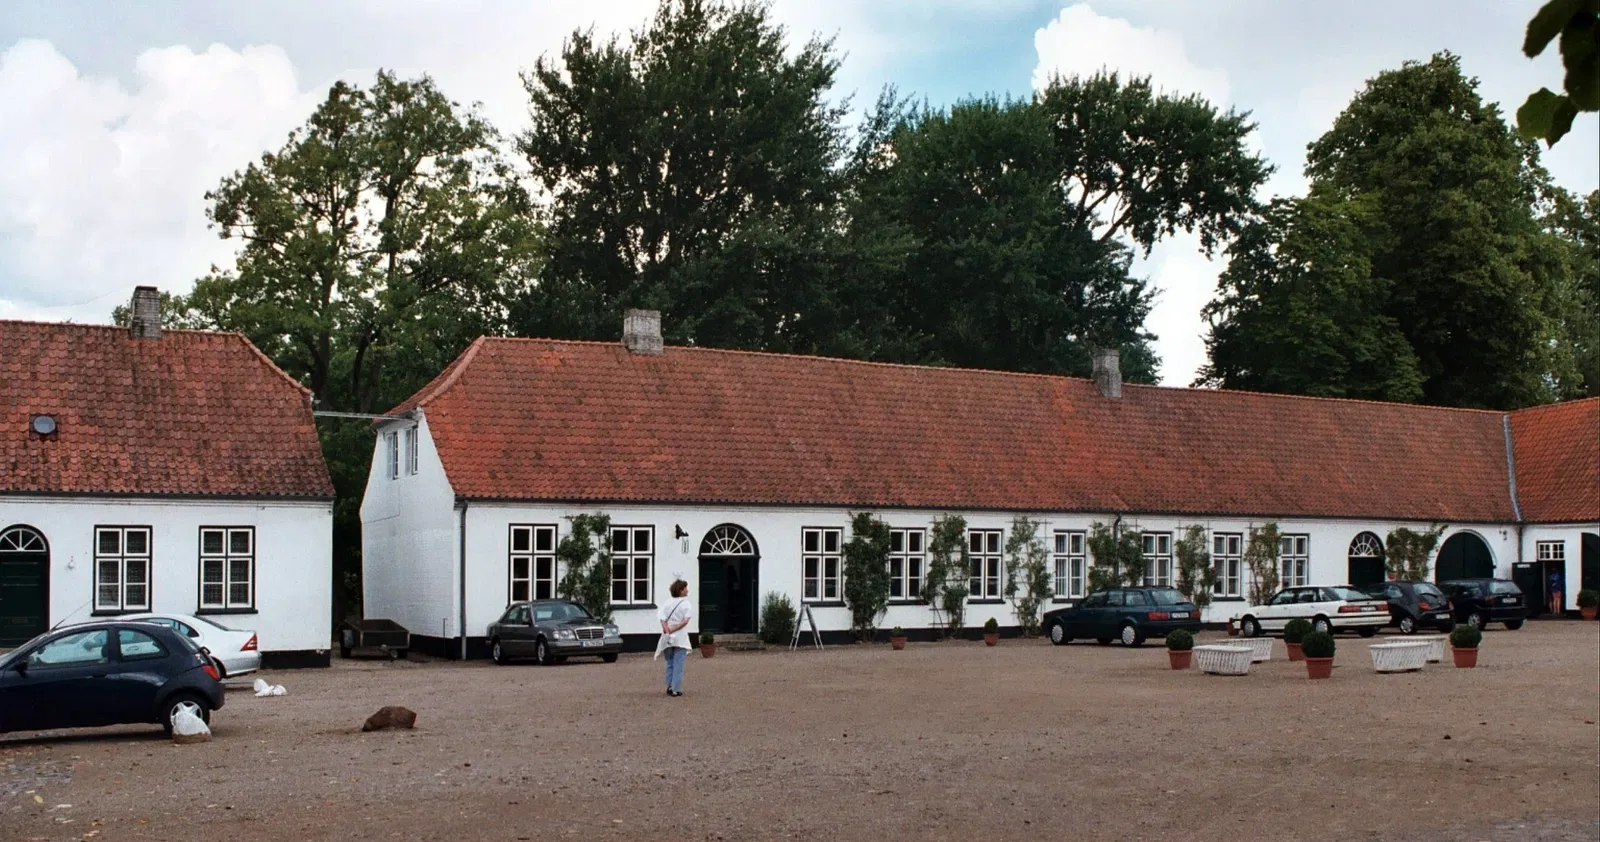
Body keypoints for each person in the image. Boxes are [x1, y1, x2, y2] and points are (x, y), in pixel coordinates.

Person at [654, 579, 693, 697]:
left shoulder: (667, 603)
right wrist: (674, 629)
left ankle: (670, 685)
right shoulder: (686, 604)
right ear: (681, 590)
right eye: (686, 588)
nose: (687, 590)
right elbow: (685, 621)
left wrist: (667, 630)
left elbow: (662, 619)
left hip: (667, 638)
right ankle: (676, 688)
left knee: (670, 662)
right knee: (678, 663)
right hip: (680, 637)